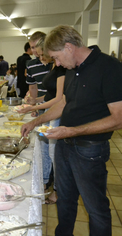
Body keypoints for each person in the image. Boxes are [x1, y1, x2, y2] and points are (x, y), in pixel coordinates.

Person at [21, 25, 122, 236]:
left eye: (56, 58)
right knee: (65, 200)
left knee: (96, 209)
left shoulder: (109, 67)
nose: (56, 64)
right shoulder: (71, 69)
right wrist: (36, 122)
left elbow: (118, 118)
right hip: (65, 145)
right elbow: (63, 103)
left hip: (90, 150)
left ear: (68, 47)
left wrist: (72, 131)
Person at [18, 36, 66, 204]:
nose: (38, 57)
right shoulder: (55, 66)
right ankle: (46, 182)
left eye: (39, 54)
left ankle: (58, 190)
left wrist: (34, 108)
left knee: (55, 154)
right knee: (47, 151)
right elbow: (49, 94)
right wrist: (36, 101)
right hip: (48, 109)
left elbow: (59, 98)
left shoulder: (60, 67)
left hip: (57, 114)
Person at [26, 31, 54, 190]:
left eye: (35, 47)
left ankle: (51, 181)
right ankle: (44, 180)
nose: (34, 51)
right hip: (42, 107)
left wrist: (35, 104)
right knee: (44, 144)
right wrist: (34, 105)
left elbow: (57, 95)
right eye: (31, 48)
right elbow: (33, 86)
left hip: (55, 107)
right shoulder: (31, 64)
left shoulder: (55, 61)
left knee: (54, 147)